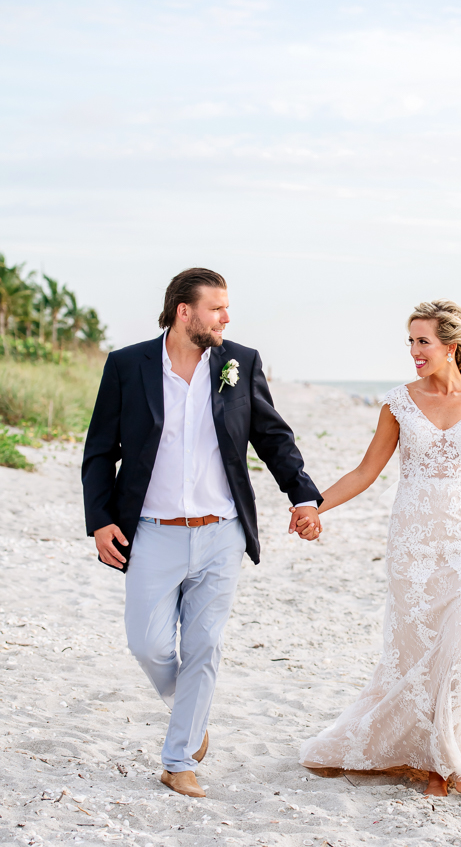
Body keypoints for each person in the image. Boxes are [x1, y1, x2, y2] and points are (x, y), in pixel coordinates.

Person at [82, 268, 323, 798]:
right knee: (146, 645)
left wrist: (302, 495)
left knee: (204, 646)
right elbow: (101, 449)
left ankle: (179, 759)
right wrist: (99, 519)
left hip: (222, 533)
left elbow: (271, 435)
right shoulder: (128, 365)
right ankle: (191, 713)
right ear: (184, 311)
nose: (227, 318)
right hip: (149, 531)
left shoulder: (239, 361)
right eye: (217, 308)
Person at [297, 299, 461, 798]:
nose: (414, 351)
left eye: (422, 341)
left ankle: (450, 764)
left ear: (450, 347)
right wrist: (316, 507)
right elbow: (366, 472)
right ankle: (427, 756)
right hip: (412, 544)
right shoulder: (398, 403)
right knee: (417, 653)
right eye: (410, 342)